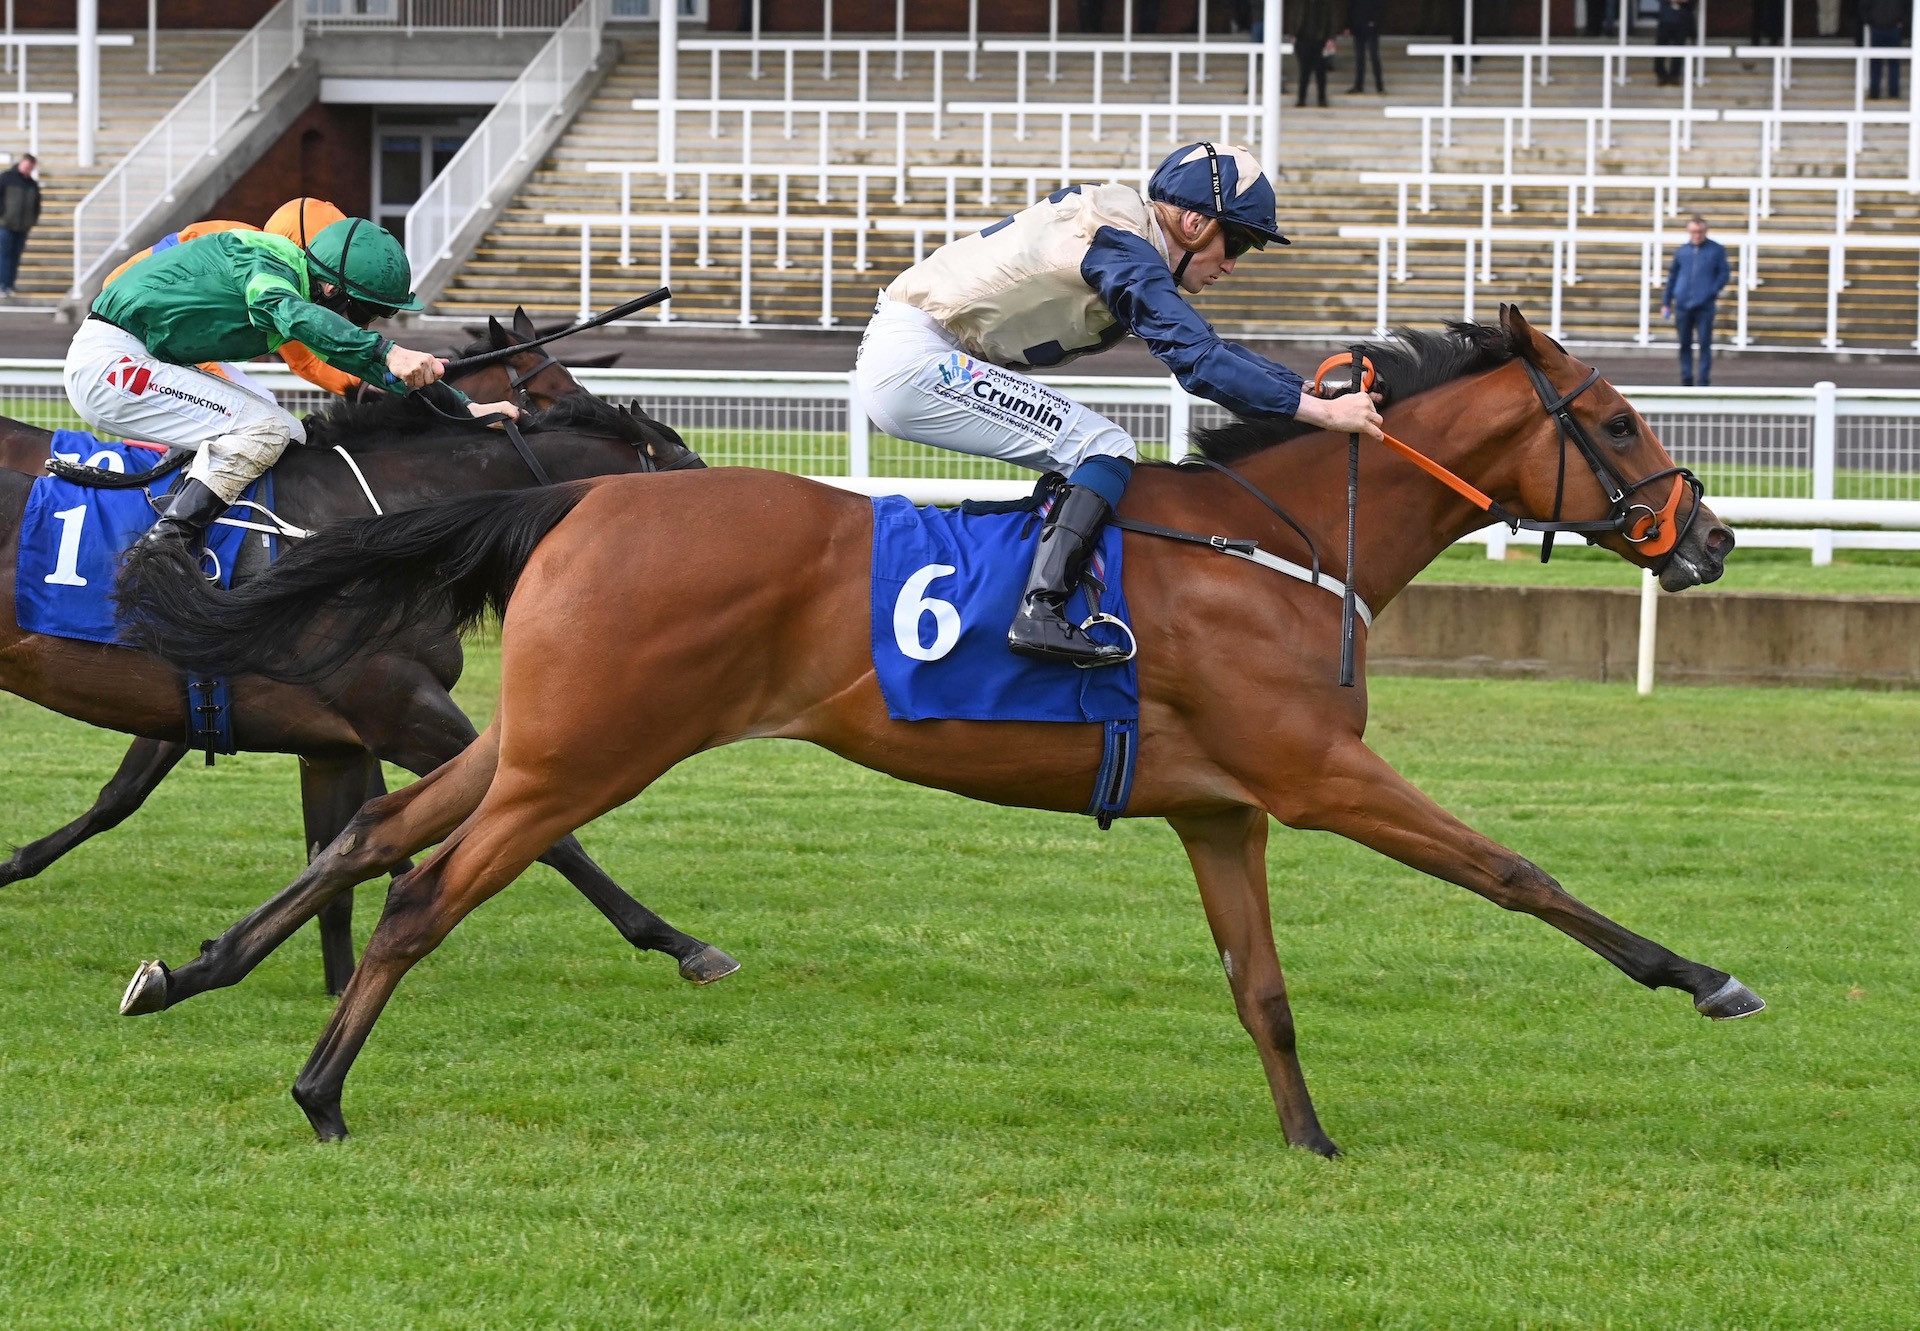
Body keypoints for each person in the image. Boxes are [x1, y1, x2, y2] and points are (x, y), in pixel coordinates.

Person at [853, 142, 1384, 667]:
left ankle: (1038, 586)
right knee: (1104, 446)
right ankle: (1040, 610)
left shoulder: (1127, 240)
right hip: (917, 360)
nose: (1232, 267)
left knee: (1095, 449)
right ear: (1195, 225)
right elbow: (1199, 361)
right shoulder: (1122, 245)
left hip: (916, 354)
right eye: (1239, 244)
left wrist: (1303, 393)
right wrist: (1320, 413)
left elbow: (1208, 349)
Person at [65, 217, 518, 548]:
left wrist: (466, 408)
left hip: (136, 360)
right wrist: (387, 352)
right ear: (329, 290)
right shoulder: (265, 263)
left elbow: (352, 356)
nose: (362, 322)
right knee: (265, 428)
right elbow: (296, 315)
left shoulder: (294, 282)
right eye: (363, 311)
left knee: (294, 435)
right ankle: (161, 552)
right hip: (111, 364)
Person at [102, 197, 363, 399]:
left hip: (137, 322)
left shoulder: (247, 238)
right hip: (139, 328)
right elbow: (305, 358)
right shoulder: (266, 269)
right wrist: (362, 384)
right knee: (262, 409)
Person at [1661, 216, 1729, 388]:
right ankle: (1686, 379)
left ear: (1705, 231)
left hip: (1705, 306)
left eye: (1699, 232)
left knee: (1705, 343)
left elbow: (1723, 274)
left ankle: (1704, 380)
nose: (1696, 235)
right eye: (1693, 232)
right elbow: (1673, 277)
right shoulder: (1682, 252)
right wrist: (1666, 301)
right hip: (1683, 305)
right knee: (1684, 344)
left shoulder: (1716, 250)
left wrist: (1711, 292)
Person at [0, 153, 41, 299]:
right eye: (26, 165)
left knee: (15, 257)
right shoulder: (6, 177)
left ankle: (9, 285)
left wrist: (31, 221)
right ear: (21, 163)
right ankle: (3, 285)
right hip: (6, 225)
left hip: (22, 228)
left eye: (31, 167)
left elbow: (36, 206)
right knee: (4, 256)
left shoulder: (32, 184)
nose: (27, 168)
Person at [1294, 0, 1338, 107]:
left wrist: (1331, 38)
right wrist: (1294, 34)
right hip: (1303, 39)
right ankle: (1301, 98)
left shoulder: (1325, 3)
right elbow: (1296, 16)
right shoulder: (1302, 3)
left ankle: (1321, 98)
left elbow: (1330, 19)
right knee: (1304, 72)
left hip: (1320, 40)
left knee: (1320, 72)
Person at [1862, 0, 1907, 99]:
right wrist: (1870, 22)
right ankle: (1874, 93)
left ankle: (1894, 93)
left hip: (1894, 29)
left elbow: (1906, 6)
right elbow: (1864, 6)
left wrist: (1901, 22)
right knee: (1876, 61)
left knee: (1894, 62)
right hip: (1877, 28)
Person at [1347, 0, 1386, 94]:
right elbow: (1351, 7)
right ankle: (1359, 86)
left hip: (1371, 28)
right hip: (1358, 27)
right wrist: (1348, 25)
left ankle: (1379, 86)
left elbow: (1381, 7)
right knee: (1360, 58)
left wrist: (1375, 22)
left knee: (1374, 57)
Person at [1653, 0, 1696, 87]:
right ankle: (1661, 75)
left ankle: (1674, 75)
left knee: (1679, 49)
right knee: (1660, 49)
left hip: (1683, 19)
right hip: (1665, 19)